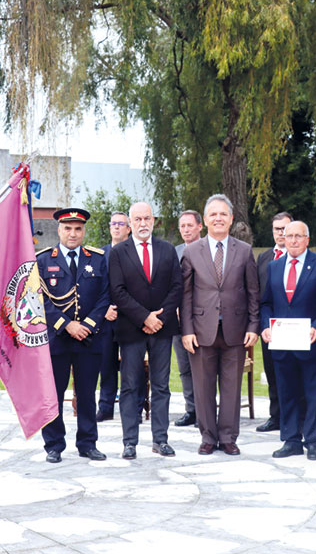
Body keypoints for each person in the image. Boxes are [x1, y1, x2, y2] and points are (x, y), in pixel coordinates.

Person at [181, 194, 260, 456]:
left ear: (231, 219)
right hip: (201, 332)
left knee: (231, 388)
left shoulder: (244, 251)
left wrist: (253, 326)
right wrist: (187, 331)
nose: (218, 218)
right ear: (205, 220)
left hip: (235, 331)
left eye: (223, 214)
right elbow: (186, 295)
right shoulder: (191, 251)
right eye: (213, 214)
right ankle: (207, 436)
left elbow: (253, 292)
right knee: (202, 388)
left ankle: (228, 437)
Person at [260, 221, 316, 460]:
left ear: (307, 239)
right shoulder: (273, 267)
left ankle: (313, 441)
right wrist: (265, 326)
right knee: (287, 393)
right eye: (289, 236)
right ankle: (291, 440)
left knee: (313, 393)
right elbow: (266, 303)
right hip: (282, 344)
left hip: (312, 343)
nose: (293, 240)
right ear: (283, 238)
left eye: (298, 236)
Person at [109, 202, 182, 459]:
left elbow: (177, 286)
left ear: (154, 221)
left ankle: (160, 440)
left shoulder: (167, 249)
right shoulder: (119, 252)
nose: (143, 223)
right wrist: (144, 318)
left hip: (162, 328)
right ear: (130, 223)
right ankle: (130, 441)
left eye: (147, 218)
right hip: (131, 328)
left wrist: (158, 317)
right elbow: (117, 290)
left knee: (161, 386)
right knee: (130, 385)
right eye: (137, 219)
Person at [37, 208, 110, 464]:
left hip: (89, 338)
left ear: (84, 231)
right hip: (57, 338)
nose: (73, 233)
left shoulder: (98, 259)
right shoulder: (43, 260)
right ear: (59, 230)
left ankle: (88, 443)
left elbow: (105, 297)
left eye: (78, 228)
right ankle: (54, 445)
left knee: (87, 394)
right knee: (53, 394)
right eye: (67, 228)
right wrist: (67, 324)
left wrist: (87, 325)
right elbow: (39, 299)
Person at [254, 211, 292, 433]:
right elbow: (259, 293)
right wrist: (262, 324)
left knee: (295, 373)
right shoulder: (265, 258)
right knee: (272, 371)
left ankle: (299, 416)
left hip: (295, 325)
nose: (281, 233)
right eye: (277, 229)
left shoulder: (302, 255)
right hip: (270, 326)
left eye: (285, 229)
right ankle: (276, 416)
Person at [96, 211, 131, 422]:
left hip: (130, 319)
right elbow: (95, 287)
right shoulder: (99, 255)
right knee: (106, 365)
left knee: (131, 367)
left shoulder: (135, 253)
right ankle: (106, 407)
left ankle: (133, 408)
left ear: (128, 229)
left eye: (121, 224)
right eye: (114, 223)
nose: (117, 227)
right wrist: (104, 310)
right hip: (106, 319)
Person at [172, 209, 203, 427]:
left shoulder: (208, 250)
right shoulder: (175, 252)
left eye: (189, 225)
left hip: (203, 319)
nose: (185, 230)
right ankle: (190, 409)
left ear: (200, 227)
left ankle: (205, 411)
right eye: (182, 226)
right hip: (178, 319)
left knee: (204, 368)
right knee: (184, 367)